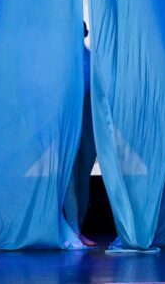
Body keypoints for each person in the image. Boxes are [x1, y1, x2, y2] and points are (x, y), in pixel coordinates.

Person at [65, 20, 97, 247]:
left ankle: (77, 229)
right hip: (72, 126)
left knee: (80, 178)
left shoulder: (90, 60)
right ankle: (74, 230)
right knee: (70, 178)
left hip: (86, 127)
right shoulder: (63, 62)